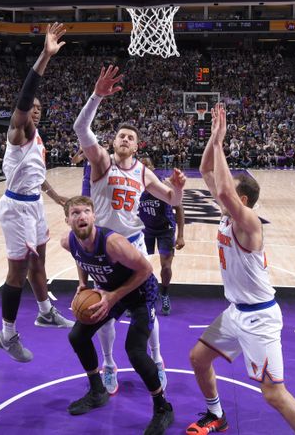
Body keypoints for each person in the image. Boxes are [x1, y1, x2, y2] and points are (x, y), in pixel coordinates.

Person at [187, 103, 295, 435]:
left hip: (259, 318)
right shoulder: (229, 213)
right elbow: (204, 171)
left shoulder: (249, 223)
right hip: (235, 313)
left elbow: (225, 189)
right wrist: (213, 138)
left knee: (274, 394)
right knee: (199, 359)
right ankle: (217, 415)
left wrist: (220, 144)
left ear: (242, 200)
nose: (219, 193)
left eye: (228, 194)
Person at [73, 64, 186, 395]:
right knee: (103, 310)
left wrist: (179, 187)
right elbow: (81, 128)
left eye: (131, 137)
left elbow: (172, 198)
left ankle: (158, 359)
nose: (125, 139)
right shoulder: (101, 163)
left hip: (134, 245)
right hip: (103, 247)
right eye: (121, 135)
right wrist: (97, 95)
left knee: (146, 311)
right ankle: (109, 365)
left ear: (137, 146)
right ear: (114, 142)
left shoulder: (143, 172)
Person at [0, 23, 73, 364]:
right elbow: (24, 99)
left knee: (40, 261)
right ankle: (7, 335)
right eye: (31, 109)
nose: (34, 111)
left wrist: (57, 199)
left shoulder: (38, 141)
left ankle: (45, 312)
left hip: (35, 204)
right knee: (18, 271)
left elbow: (37, 178)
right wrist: (45, 56)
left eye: (40, 109)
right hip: (16, 210)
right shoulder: (18, 134)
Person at [61, 196, 174, 435]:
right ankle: (97, 391)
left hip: (141, 292)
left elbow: (146, 269)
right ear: (67, 219)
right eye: (75, 213)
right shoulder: (69, 241)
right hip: (110, 292)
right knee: (78, 336)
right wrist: (83, 283)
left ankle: (163, 407)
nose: (81, 216)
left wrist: (114, 296)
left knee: (134, 350)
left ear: (94, 216)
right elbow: (79, 257)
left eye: (86, 212)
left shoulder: (113, 243)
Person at [138, 157, 185, 315]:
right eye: (142, 166)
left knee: (166, 267)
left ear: (152, 168)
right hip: (145, 230)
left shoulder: (162, 186)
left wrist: (180, 235)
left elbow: (179, 208)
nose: (145, 169)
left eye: (148, 166)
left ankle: (164, 292)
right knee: (141, 267)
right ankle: (141, 296)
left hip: (165, 229)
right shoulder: (135, 187)